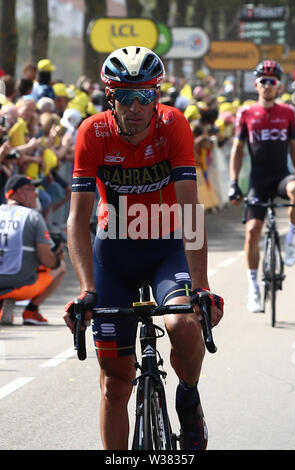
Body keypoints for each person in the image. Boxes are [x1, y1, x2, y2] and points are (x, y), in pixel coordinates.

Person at [63, 46, 224, 451]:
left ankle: (188, 395)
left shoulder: (173, 125)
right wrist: (85, 290)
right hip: (113, 255)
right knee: (115, 385)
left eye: (146, 96)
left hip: (165, 248)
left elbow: (189, 209)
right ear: (109, 97)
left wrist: (201, 286)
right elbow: (76, 221)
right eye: (126, 96)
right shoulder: (92, 133)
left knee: (183, 325)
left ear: (157, 96)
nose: (136, 106)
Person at [228, 60, 295, 313]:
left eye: (272, 81)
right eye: (263, 81)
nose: (267, 86)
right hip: (258, 181)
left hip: (281, 175)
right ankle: (254, 288)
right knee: (252, 231)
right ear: (256, 84)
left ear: (278, 86)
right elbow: (237, 150)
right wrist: (234, 183)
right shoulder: (246, 113)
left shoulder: (288, 112)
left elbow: (294, 149)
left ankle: (292, 239)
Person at [0, 174, 66, 325]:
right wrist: (57, 256)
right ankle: (31, 311)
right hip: (18, 284)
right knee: (60, 267)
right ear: (18, 192)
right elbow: (47, 260)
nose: (36, 193)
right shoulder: (32, 217)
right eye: (31, 189)